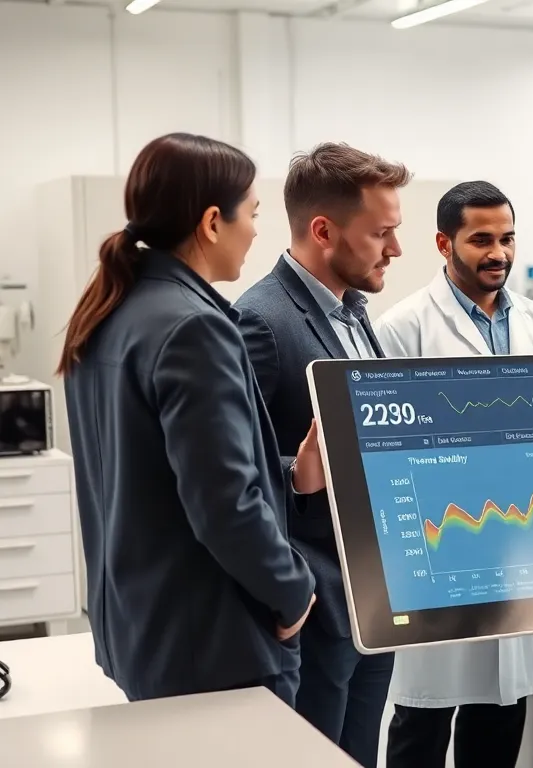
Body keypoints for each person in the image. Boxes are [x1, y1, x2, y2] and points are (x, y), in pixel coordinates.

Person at [57, 133, 321, 704]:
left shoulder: (108, 311)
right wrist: (294, 589)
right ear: (212, 223)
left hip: (143, 631)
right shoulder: (194, 328)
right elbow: (224, 503)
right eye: (252, 214)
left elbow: (152, 478)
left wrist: (287, 475)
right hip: (215, 647)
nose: (256, 231)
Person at [375, 180, 533, 768]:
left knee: (502, 710)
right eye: (481, 240)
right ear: (444, 244)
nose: (498, 253)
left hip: (518, 543)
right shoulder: (402, 328)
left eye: (507, 238)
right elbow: (382, 451)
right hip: (442, 544)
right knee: (423, 716)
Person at [235, 143, 411, 768]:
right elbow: (234, 470)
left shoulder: (356, 315)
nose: (395, 249)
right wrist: (295, 473)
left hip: (374, 592)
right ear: (323, 231)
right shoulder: (259, 320)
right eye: (381, 233)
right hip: (317, 600)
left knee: (361, 754)